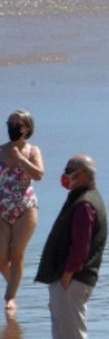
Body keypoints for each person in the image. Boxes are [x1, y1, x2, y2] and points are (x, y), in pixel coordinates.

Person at [34, 153, 106, 339]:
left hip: (72, 282)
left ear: (82, 174)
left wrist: (67, 276)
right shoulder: (81, 198)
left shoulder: (85, 204)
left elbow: (80, 248)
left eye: (69, 170)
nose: (65, 175)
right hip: (67, 281)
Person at [0, 111, 42, 316]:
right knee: (1, 257)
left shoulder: (32, 150)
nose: (12, 127)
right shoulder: (0, 150)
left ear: (26, 128)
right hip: (2, 208)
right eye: (9, 123)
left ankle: (10, 298)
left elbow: (39, 174)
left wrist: (20, 159)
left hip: (25, 206)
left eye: (16, 124)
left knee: (16, 253)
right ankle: (13, 285)